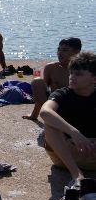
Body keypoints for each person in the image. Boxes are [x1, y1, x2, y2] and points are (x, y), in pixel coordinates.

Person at [39, 51, 96, 186]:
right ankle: (77, 175)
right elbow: (44, 112)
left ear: (94, 78)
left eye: (79, 74)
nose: (72, 77)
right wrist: (74, 132)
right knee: (50, 124)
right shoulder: (63, 94)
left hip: (93, 151)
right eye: (71, 73)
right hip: (66, 155)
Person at [23, 37, 82, 121]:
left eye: (65, 50)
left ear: (77, 52)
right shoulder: (51, 68)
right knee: (37, 82)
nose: (60, 53)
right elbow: (41, 93)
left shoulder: (85, 70)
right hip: (55, 106)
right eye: (59, 50)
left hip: (78, 106)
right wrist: (34, 114)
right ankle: (47, 119)